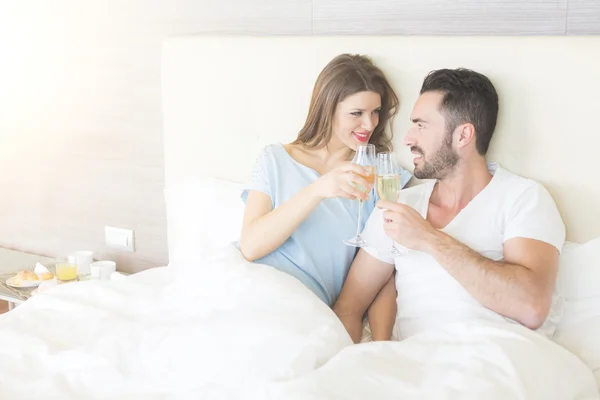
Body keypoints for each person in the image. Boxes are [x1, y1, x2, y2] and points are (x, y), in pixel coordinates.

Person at [334, 68, 566, 343]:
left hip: (497, 360)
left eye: (421, 125)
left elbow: (532, 307)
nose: (408, 139)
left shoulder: (523, 198)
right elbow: (349, 309)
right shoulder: (401, 205)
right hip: (414, 367)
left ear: (463, 135)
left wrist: (428, 238)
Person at [239, 54, 403, 337]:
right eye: (356, 113)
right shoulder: (275, 159)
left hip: (305, 310)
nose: (369, 124)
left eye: (375, 112)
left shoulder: (380, 173)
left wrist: (380, 345)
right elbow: (251, 247)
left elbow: (385, 267)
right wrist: (318, 189)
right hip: (253, 288)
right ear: (327, 108)